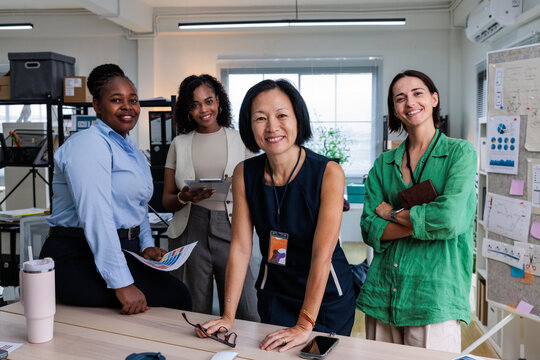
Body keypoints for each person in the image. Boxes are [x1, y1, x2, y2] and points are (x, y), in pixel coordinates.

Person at [198, 79, 355, 352]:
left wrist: (305, 325)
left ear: (298, 118)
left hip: (326, 298)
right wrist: (228, 317)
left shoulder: (328, 173)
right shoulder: (244, 173)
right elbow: (240, 248)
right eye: (260, 118)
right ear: (249, 125)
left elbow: (322, 255)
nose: (272, 127)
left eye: (282, 115)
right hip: (275, 294)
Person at [40, 64, 192, 314]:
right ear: (97, 106)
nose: (128, 107)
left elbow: (139, 205)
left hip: (123, 249)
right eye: (116, 100)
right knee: (173, 298)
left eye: (132, 100)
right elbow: (96, 216)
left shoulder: (129, 148)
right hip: (77, 254)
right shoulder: (88, 145)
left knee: (177, 295)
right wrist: (122, 284)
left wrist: (145, 245)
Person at [356, 70, 477, 352]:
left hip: (433, 296)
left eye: (418, 93)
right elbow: (369, 228)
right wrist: (423, 220)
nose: (410, 102)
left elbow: (448, 219)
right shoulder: (383, 165)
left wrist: (392, 214)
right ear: (395, 111)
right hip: (382, 294)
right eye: (400, 98)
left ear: (434, 99)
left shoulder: (460, 154)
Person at [162, 74, 258, 321]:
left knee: (247, 309)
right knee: (193, 310)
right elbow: (167, 200)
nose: (203, 109)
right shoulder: (179, 144)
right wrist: (184, 197)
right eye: (195, 105)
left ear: (219, 102)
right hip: (189, 230)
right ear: (187, 110)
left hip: (232, 228)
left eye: (209, 101)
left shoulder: (242, 140)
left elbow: (258, 189)